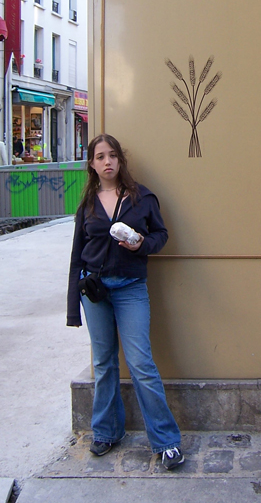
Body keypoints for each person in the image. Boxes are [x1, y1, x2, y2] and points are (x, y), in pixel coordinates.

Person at [67, 133, 183, 470]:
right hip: (95, 293)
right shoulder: (87, 205)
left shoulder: (141, 197)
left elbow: (161, 236)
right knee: (103, 364)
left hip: (131, 288)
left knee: (141, 364)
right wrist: (73, 307)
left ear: (121, 160)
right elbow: (76, 257)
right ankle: (106, 432)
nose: (107, 162)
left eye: (112, 155)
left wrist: (141, 244)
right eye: (100, 156)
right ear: (92, 164)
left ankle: (167, 442)